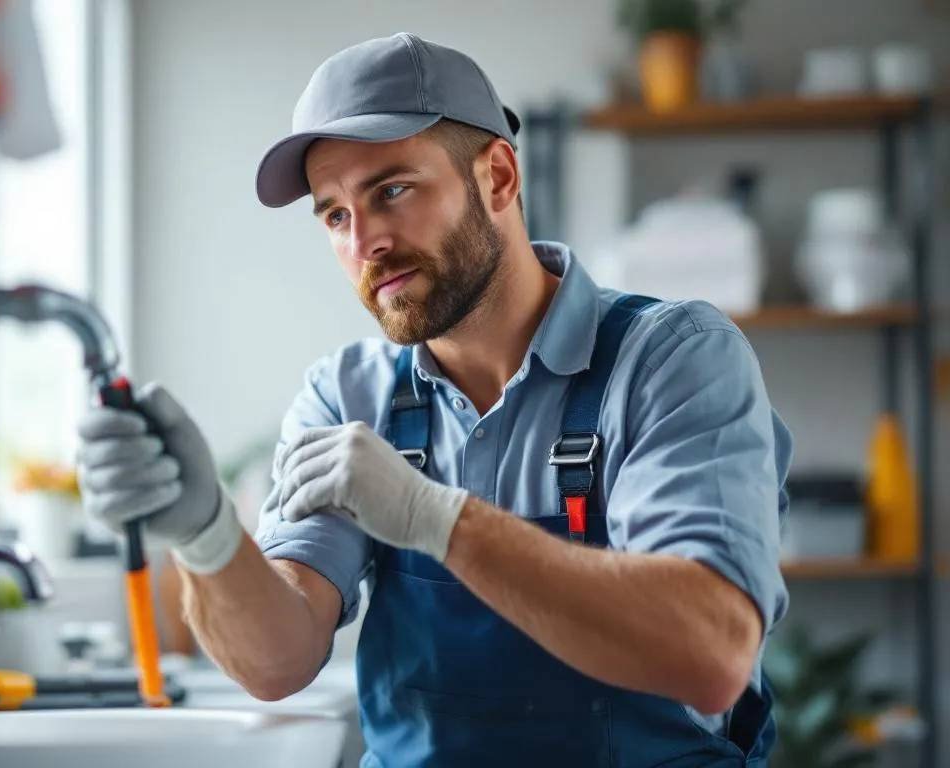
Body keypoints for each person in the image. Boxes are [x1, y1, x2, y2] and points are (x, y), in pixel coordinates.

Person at [75, 32, 792, 767]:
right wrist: (206, 534)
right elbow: (275, 663)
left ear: (500, 178)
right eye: (334, 215)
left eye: (392, 190)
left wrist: (434, 518)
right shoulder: (346, 396)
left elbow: (711, 654)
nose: (365, 243)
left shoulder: (670, 361)